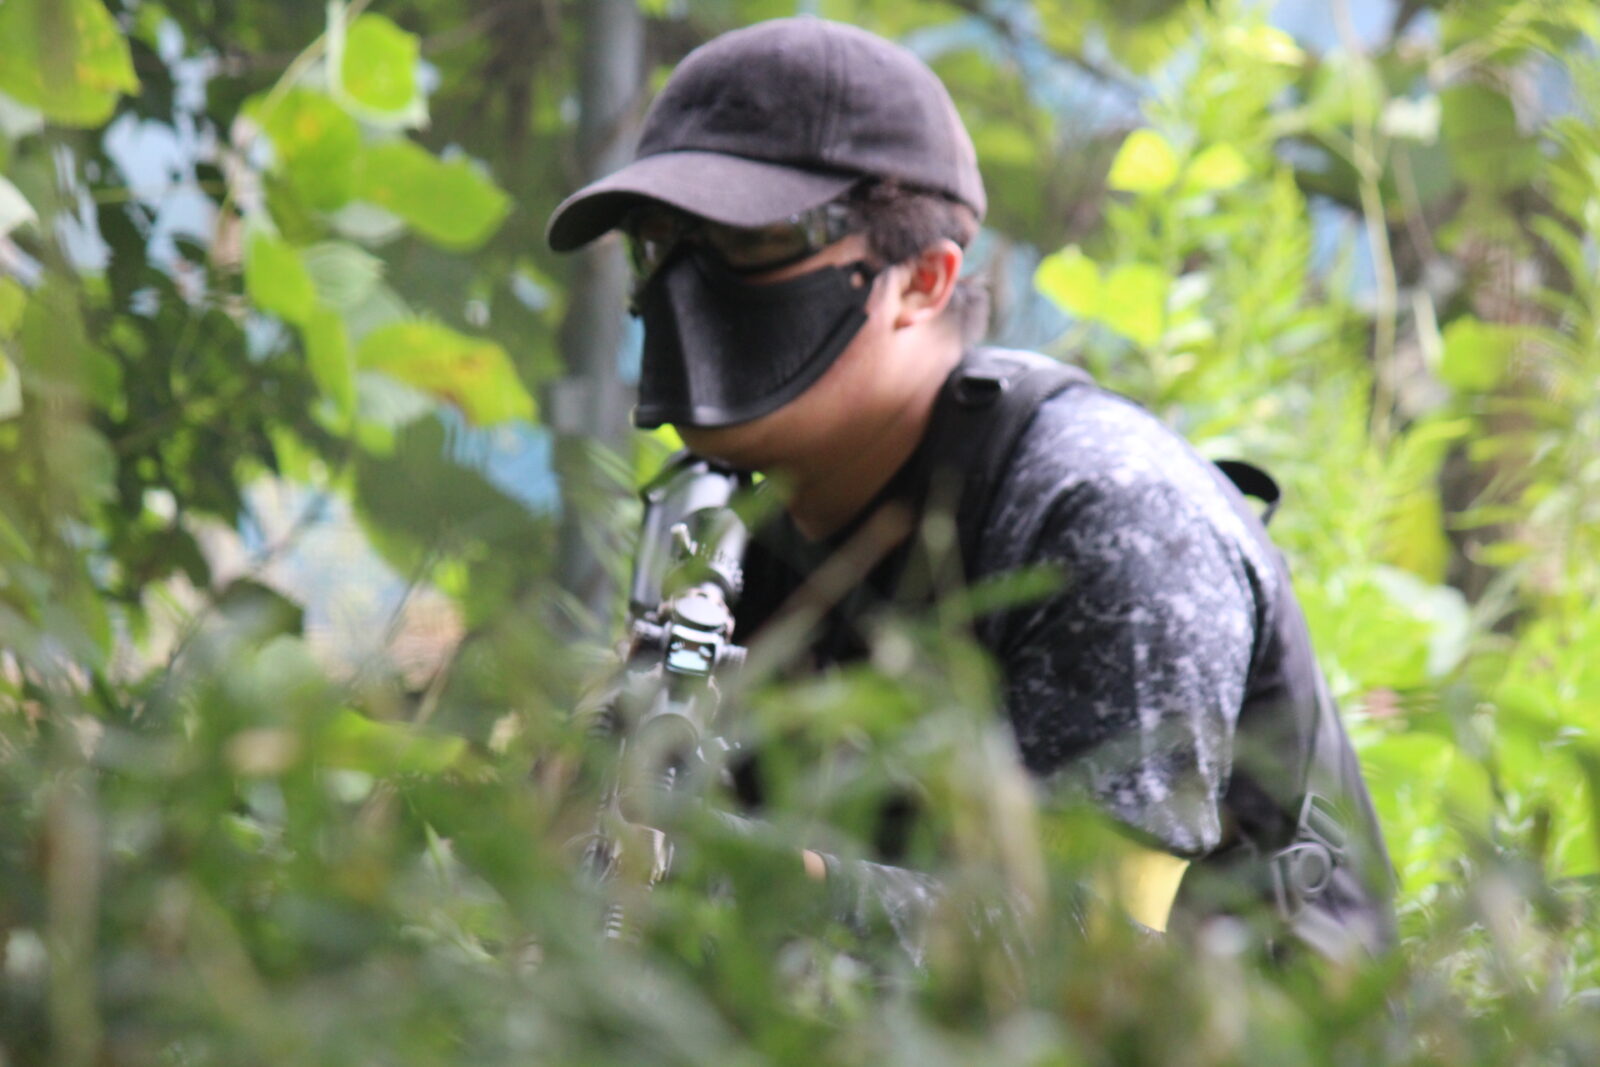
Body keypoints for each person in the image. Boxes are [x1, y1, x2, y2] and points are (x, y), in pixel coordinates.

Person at [547, 16, 1395, 960]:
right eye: (658, 243)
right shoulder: (732, 516)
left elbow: (1101, 957)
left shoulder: (1108, 516)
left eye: (751, 241)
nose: (680, 287)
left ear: (922, 279)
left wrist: (745, 881)